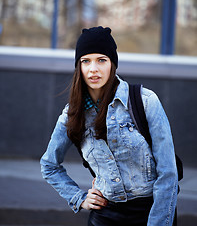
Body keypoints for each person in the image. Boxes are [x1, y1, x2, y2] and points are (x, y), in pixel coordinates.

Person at [40, 26, 178, 226]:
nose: (93, 69)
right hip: (105, 216)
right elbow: (49, 165)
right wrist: (79, 198)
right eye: (85, 61)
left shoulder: (145, 101)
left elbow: (168, 173)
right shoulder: (72, 114)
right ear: (78, 66)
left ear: (112, 64)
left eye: (101, 60)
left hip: (151, 212)